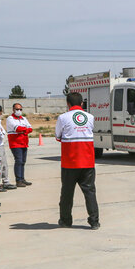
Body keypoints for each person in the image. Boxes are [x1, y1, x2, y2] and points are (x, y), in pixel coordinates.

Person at [56, 92, 100, 229]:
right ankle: (94, 221)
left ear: (68, 103)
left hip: (70, 162)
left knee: (67, 194)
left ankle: (66, 220)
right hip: (87, 161)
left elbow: (58, 136)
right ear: (82, 103)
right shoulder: (90, 117)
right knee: (90, 192)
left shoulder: (63, 118)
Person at [6, 103, 33, 187]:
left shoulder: (23, 118)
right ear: (13, 110)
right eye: (17, 109)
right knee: (19, 161)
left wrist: (23, 130)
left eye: (20, 109)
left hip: (24, 143)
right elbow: (17, 129)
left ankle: (22, 178)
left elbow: (31, 129)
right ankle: (18, 180)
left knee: (23, 161)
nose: (19, 111)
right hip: (15, 143)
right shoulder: (10, 119)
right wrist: (25, 130)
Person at [0, 105, 16, 192]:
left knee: (4, 164)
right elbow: (0, 133)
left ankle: (6, 181)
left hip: (1, 145)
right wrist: (1, 136)